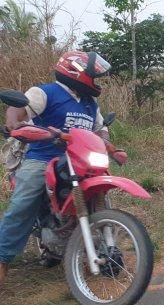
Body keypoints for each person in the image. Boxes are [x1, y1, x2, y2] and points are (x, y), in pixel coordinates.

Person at [0, 51, 119, 285]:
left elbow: (100, 128)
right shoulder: (45, 92)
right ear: (76, 72)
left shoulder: (89, 103)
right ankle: (3, 259)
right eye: (93, 77)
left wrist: (107, 142)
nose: (96, 83)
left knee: (100, 195)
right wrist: (13, 124)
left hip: (79, 161)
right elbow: (18, 110)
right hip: (43, 159)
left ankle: (106, 250)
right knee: (23, 205)